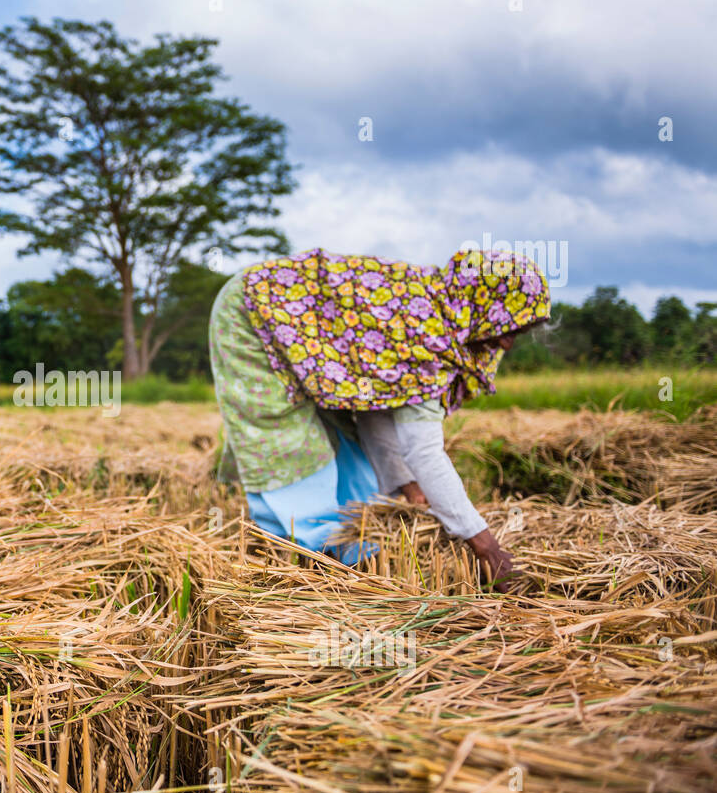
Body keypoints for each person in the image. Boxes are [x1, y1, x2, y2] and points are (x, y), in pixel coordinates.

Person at [208, 248, 550, 591]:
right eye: (507, 327)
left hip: (292, 330)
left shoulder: (445, 315)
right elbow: (425, 452)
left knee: (343, 438)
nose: (506, 342)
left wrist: (408, 486)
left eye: (517, 333)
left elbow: (376, 414)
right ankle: (303, 558)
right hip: (251, 311)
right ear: (482, 304)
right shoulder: (427, 335)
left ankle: (349, 552)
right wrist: (486, 546)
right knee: (290, 441)